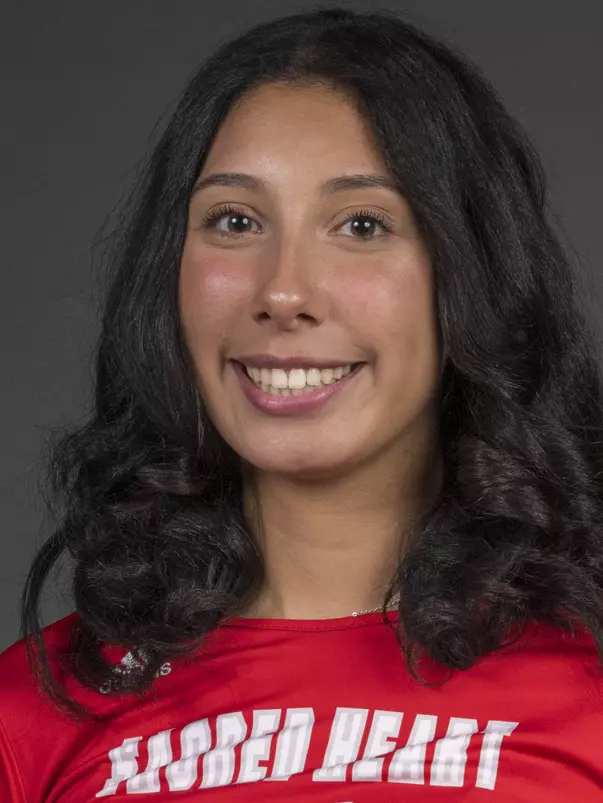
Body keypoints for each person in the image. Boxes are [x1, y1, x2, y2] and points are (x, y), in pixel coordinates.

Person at [2, 5, 603, 800]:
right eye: (235, 220)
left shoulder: (587, 688)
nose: (282, 290)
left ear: (468, 278)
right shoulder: (33, 712)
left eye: (361, 223)